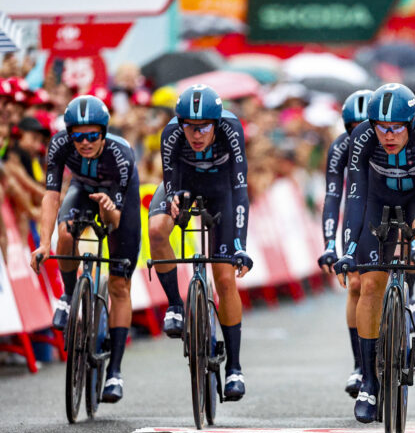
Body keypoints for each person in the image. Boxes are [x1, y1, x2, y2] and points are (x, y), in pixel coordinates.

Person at [333, 83, 415, 423]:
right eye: (382, 128)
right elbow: (354, 198)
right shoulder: (362, 137)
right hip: (376, 200)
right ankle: (369, 381)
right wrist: (348, 250)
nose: (388, 135)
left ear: (411, 123)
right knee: (370, 285)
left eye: (396, 128)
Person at [30, 95, 141, 403]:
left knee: (119, 285)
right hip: (82, 189)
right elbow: (51, 195)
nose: (85, 143)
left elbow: (114, 222)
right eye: (78, 137)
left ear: (103, 133)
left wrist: (107, 208)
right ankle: (68, 296)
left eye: (92, 136)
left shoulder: (121, 154)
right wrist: (44, 243)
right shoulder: (59, 144)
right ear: (69, 135)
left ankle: (114, 372)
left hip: (117, 200)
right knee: (66, 234)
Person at [147, 84, 253, 401]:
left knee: (224, 277)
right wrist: (175, 202)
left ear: (215, 123)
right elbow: (170, 181)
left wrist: (240, 245)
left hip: (222, 190)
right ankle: (175, 306)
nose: (196, 134)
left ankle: (234, 367)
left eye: (204, 127)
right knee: (157, 230)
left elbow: (241, 189)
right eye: (190, 127)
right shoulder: (171, 133)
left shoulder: (231, 129)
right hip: (183, 185)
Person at [317, 89, 372, 398]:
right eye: (353, 128)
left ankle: (412, 296)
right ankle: (360, 365)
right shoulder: (340, 147)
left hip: (393, 204)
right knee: (355, 285)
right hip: (358, 212)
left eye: (367, 126)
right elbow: (333, 196)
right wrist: (329, 244)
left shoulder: (394, 141)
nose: (360, 133)